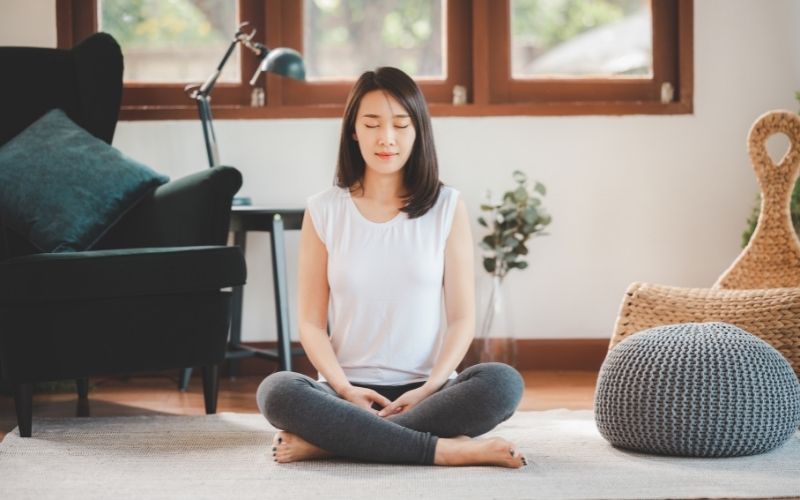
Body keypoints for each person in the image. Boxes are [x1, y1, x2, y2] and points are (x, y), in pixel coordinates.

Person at [256, 66, 526, 468]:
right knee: (276, 390)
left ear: (418, 132)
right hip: (344, 392)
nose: (387, 138)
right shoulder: (324, 210)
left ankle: (332, 445)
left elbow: (462, 319)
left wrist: (431, 386)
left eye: (401, 125)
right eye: (372, 123)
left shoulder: (446, 207)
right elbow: (311, 324)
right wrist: (345, 390)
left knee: (503, 383)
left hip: (426, 390)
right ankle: (445, 450)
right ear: (353, 131)